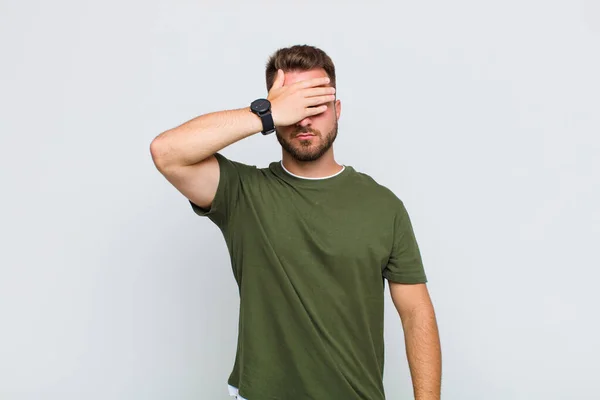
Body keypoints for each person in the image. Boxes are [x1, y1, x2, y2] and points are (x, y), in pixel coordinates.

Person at [150, 44, 442, 400]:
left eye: (315, 106)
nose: (303, 120)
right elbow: (167, 152)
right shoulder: (243, 193)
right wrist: (266, 112)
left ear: (337, 111)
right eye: (294, 107)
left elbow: (416, 312)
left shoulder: (384, 206)